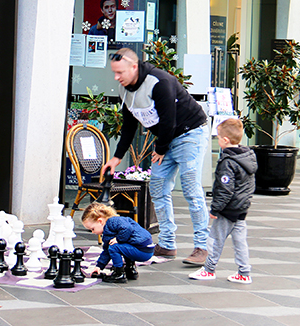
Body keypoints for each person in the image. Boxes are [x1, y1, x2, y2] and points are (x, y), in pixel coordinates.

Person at [101, 47, 210, 266]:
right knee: (158, 188)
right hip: (166, 139)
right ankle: (168, 245)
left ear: (134, 66)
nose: (116, 77)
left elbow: (169, 120)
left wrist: (160, 149)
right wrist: (117, 157)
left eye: (120, 72)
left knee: (190, 188)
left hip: (190, 133)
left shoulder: (159, 82)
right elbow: (129, 126)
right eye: (114, 72)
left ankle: (202, 247)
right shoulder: (125, 90)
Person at [189, 118, 257, 284]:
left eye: (218, 137)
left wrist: (215, 209)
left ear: (225, 140)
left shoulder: (228, 162)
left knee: (214, 238)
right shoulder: (247, 157)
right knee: (240, 241)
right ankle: (244, 272)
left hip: (228, 209)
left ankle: (209, 269)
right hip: (241, 208)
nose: (217, 140)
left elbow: (225, 190)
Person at [82, 202, 154, 283]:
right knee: (122, 246)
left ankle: (119, 274)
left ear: (100, 221)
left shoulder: (112, 222)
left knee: (114, 247)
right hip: (147, 249)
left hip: (142, 250)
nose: (92, 232)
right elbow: (106, 251)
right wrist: (99, 266)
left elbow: (127, 228)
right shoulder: (113, 226)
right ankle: (130, 270)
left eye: (92, 229)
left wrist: (118, 239)